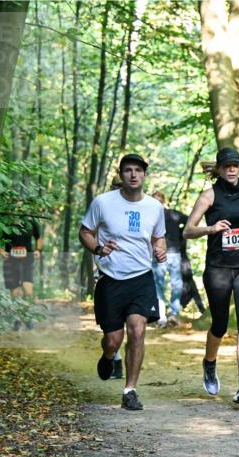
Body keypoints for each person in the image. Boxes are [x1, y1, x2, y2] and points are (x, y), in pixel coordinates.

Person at [184, 147, 239, 405]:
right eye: (227, 166)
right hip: (218, 268)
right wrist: (211, 228)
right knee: (220, 325)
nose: (232, 169)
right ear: (220, 169)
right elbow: (188, 231)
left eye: (236, 165)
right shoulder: (208, 196)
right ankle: (209, 363)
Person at [79, 153, 166, 410]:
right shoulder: (103, 203)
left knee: (138, 331)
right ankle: (108, 356)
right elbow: (85, 232)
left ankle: (130, 390)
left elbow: (159, 237)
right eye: (128, 170)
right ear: (121, 174)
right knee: (113, 340)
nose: (133, 174)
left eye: (138, 170)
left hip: (141, 278)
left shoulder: (154, 207)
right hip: (111, 278)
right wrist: (97, 249)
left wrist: (160, 249)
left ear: (144, 175)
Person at [151, 191, 187, 327]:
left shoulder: (156, 216)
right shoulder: (173, 214)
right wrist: (181, 235)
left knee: (164, 285)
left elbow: (190, 222)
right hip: (163, 254)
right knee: (170, 284)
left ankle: (167, 315)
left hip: (169, 254)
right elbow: (189, 221)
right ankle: (168, 315)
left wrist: (181, 236)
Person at [0, 219, 42, 300]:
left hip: (27, 259)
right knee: (15, 292)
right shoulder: (5, 223)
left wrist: (38, 250)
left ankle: (26, 311)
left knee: (28, 291)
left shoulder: (31, 222)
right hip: (10, 259)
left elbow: (38, 237)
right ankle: (15, 312)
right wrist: (0, 251)